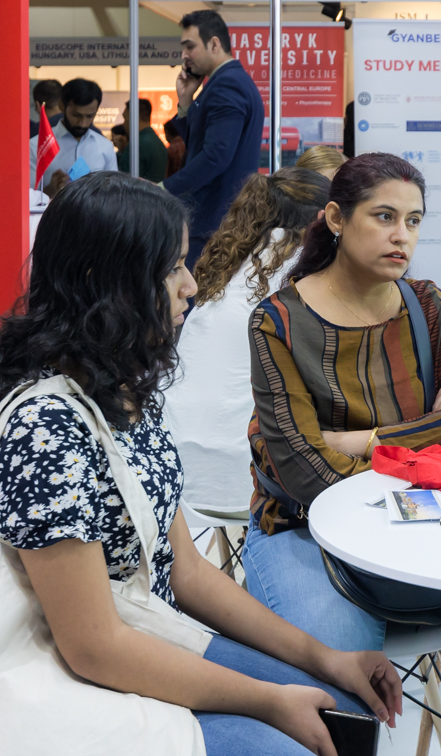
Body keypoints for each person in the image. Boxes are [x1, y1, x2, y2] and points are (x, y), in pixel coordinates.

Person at [0, 172, 402, 754]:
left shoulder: (123, 387)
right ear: (103, 280)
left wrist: (325, 657)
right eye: (171, 269)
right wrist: (267, 698)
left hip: (146, 623)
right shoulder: (46, 426)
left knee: (335, 707)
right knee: (301, 738)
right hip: (79, 665)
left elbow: (184, 570)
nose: (190, 285)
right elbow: (92, 645)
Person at [240, 152, 441, 756]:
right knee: (342, 690)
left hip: (431, 521)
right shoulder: (277, 321)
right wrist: (423, 430)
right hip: (305, 534)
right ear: (335, 218)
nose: (402, 235)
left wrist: (359, 439)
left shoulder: (429, 306)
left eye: (414, 220)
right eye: (383, 216)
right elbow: (302, 471)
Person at [164, 167, 330, 518]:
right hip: (242, 479)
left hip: (180, 473)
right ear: (323, 218)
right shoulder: (303, 270)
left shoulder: (236, 261)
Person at [164, 10, 264, 272]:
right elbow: (202, 145)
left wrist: (165, 189)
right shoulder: (224, 82)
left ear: (215, 44)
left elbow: (215, 156)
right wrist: (186, 103)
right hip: (221, 219)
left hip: (215, 220)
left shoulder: (226, 84)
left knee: (196, 304)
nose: (184, 54)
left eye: (190, 46)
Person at [29, 78, 116, 199]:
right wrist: (49, 190)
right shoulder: (36, 146)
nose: (83, 123)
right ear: (61, 106)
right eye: (76, 115)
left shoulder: (105, 147)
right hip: (53, 216)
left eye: (90, 116)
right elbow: (25, 200)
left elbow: (114, 196)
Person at [114, 99, 169, 183]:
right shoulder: (157, 142)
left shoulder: (136, 145)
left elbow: (125, 181)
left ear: (133, 117)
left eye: (125, 118)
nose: (124, 124)